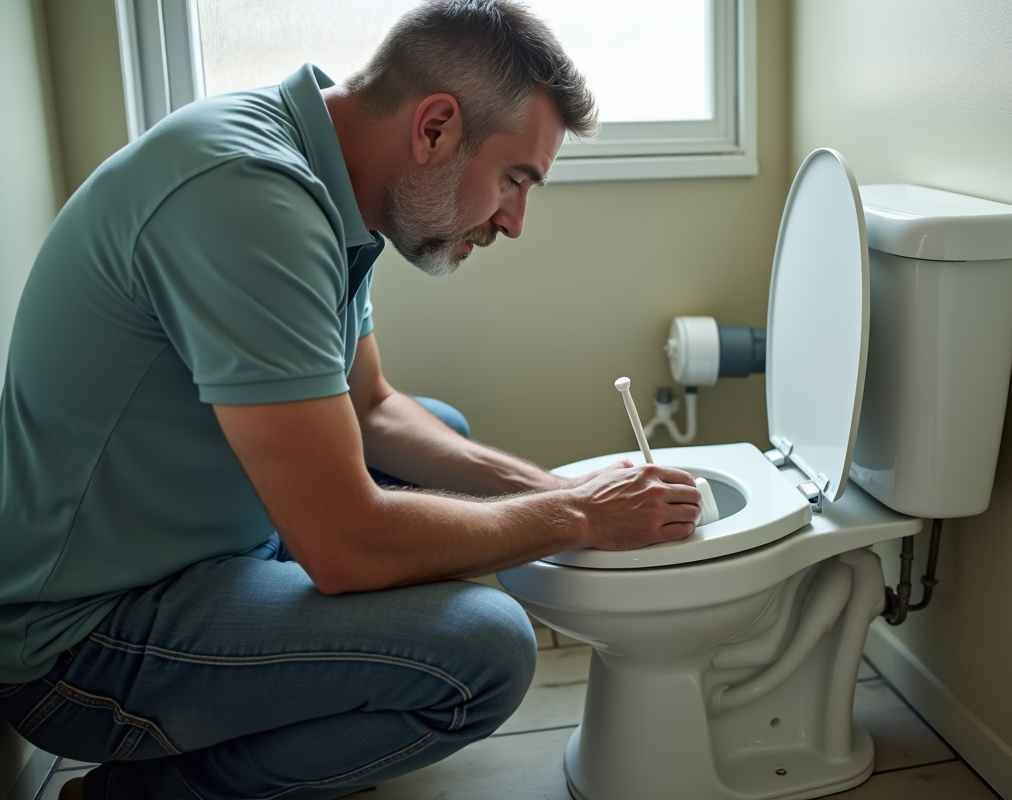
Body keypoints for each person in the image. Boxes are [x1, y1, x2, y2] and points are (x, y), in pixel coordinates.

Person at [0, 2, 702, 798]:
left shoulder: (325, 176)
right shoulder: (249, 199)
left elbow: (371, 408)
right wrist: (576, 517)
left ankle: (302, 706)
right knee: (487, 653)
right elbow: (342, 546)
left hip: (201, 547)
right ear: (435, 128)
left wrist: (552, 488)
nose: (513, 221)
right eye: (514, 179)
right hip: (80, 642)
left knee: (440, 436)